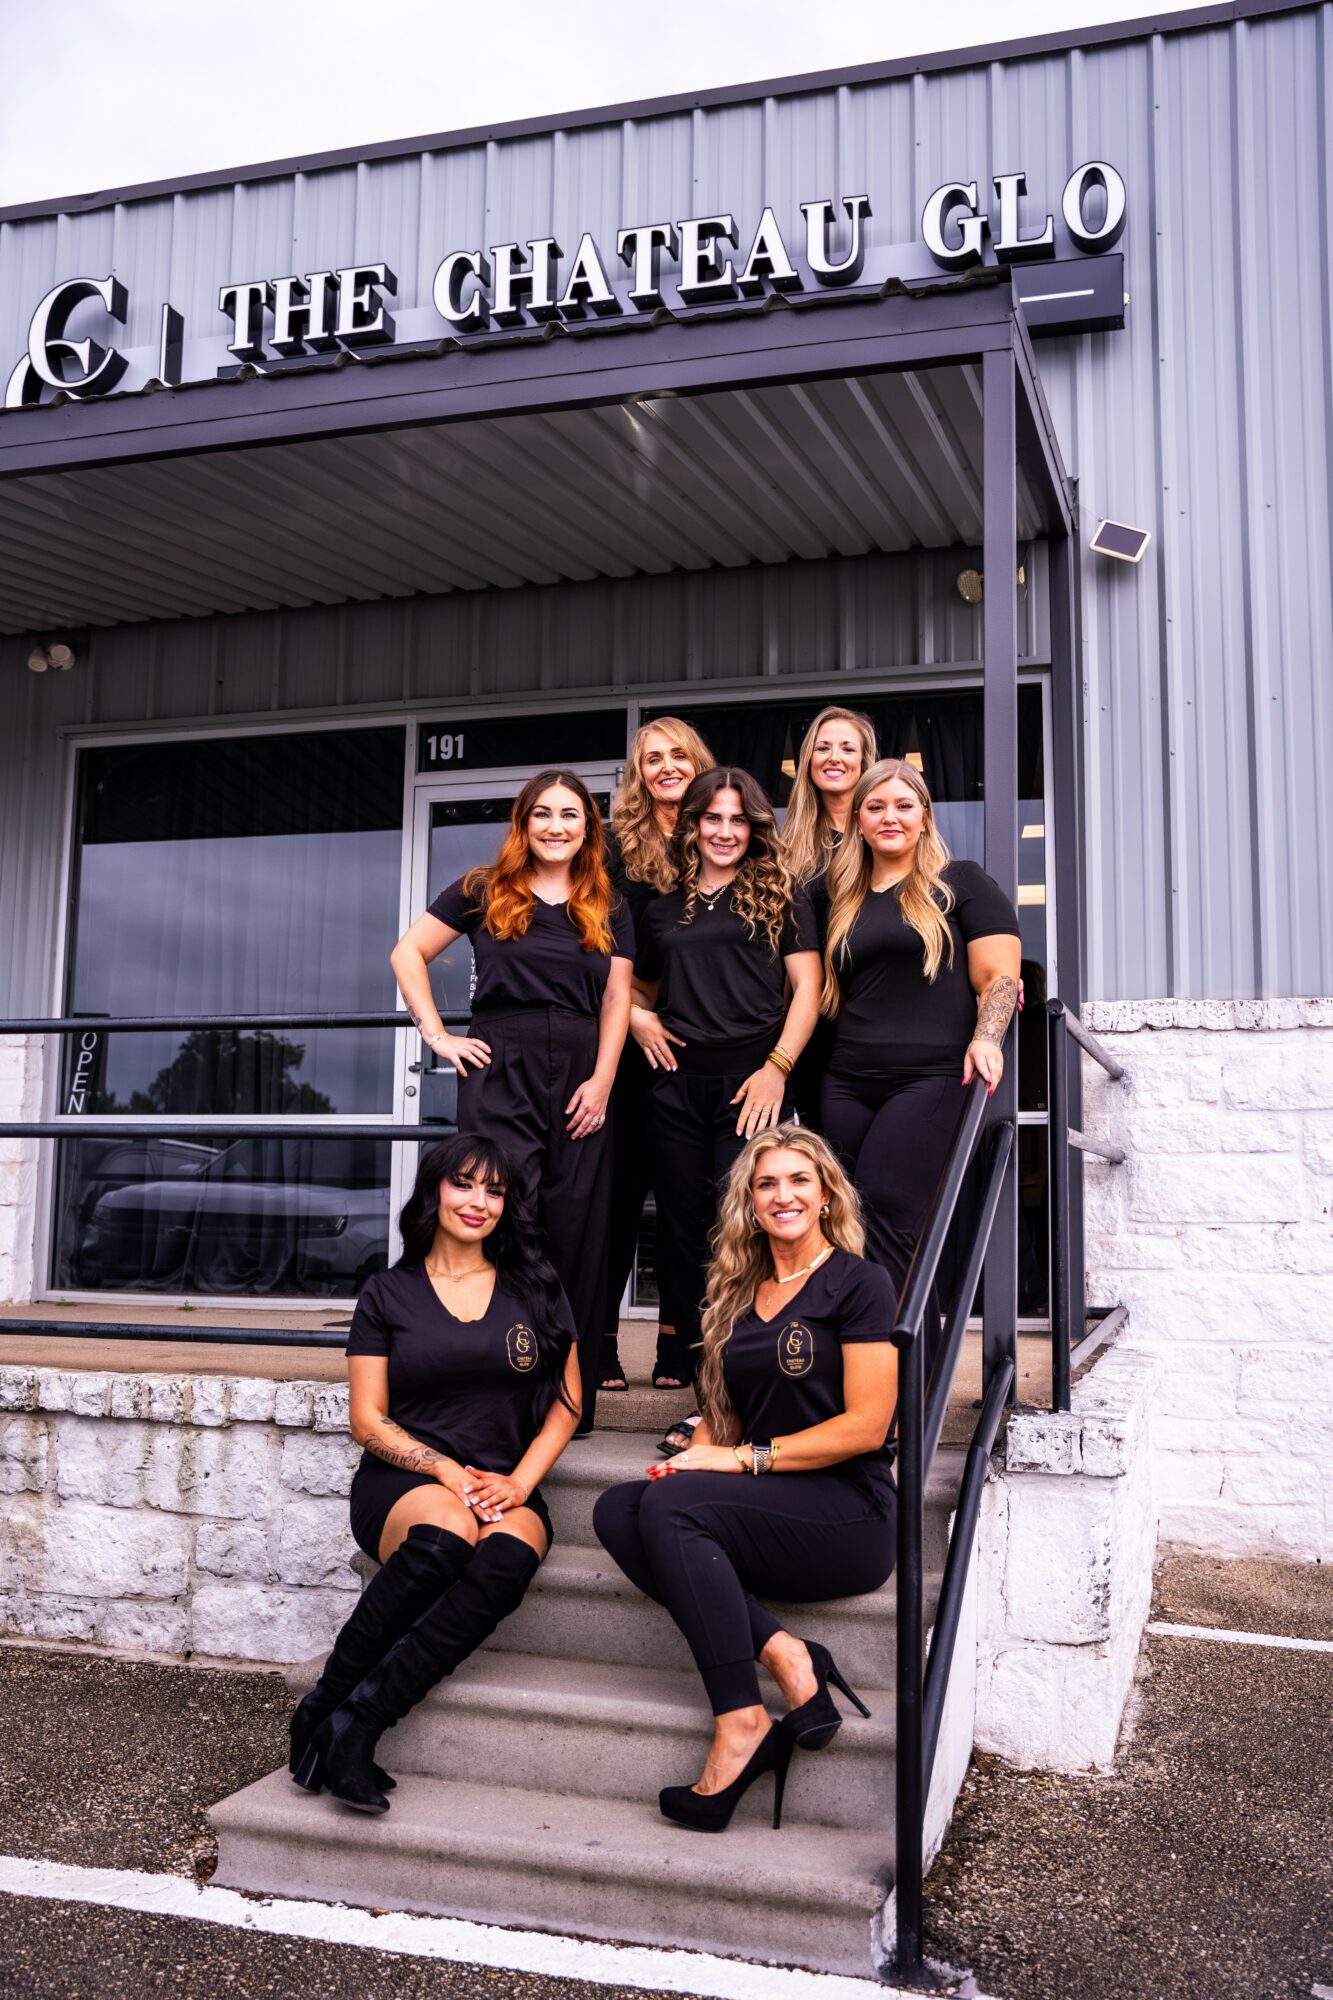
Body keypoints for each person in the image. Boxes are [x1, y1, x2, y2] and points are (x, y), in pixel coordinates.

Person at [593, 1125, 896, 1833]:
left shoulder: (858, 1282)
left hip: (847, 1510)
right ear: (749, 1203)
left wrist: (734, 1461)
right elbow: (729, 1413)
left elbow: (866, 1427)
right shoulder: (737, 1289)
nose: (782, 1195)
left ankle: (740, 1720)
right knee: (616, 1508)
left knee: (668, 1509)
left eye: (798, 1180)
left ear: (825, 1195)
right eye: (766, 1184)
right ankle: (787, 1653)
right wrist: (698, 1446)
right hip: (770, 1496)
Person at [290, 1134, 581, 1815]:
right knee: (446, 1537)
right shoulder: (388, 1292)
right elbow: (369, 1420)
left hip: (505, 1479)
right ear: (434, 1192)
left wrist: (516, 1483)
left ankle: (357, 1725)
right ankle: (322, 1706)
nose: (479, 1202)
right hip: (404, 1479)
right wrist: (447, 1471)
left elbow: (568, 1406)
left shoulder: (535, 1288)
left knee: (506, 1558)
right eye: (464, 1185)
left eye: (495, 1190)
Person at [390, 769, 633, 1435]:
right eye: (543, 814)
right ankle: (495, 1382)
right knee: (503, 1220)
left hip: (583, 1072)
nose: (557, 827)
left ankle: (566, 1398)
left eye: (571, 815)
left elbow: (616, 999)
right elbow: (407, 953)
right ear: (523, 823)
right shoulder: (481, 888)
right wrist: (437, 1035)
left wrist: (605, 1078)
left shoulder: (605, 900)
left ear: (589, 827)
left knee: (576, 1230)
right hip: (501, 1065)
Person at [632, 767, 821, 1400]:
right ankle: (694, 1364)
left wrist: (777, 1069)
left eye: (738, 819)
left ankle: (744, 1363)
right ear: (692, 823)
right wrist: (637, 1019)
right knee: (682, 1231)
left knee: (744, 1225)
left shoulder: (781, 893)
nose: (724, 831)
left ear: (755, 827)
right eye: (712, 818)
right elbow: (637, 989)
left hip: (754, 1086)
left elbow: (808, 990)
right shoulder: (662, 908)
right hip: (675, 1085)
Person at [819, 756, 1021, 1333]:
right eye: (876, 807)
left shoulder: (961, 883)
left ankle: (907, 1380)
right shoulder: (843, 896)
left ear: (925, 817)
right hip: (848, 1083)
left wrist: (987, 1039)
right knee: (850, 1222)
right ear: (857, 820)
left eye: (903, 806)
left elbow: (1000, 977)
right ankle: (871, 1371)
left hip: (931, 1078)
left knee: (888, 1213)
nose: (890, 817)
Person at [601, 717, 715, 1395]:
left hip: (698, 1048)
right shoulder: (614, 848)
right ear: (638, 773)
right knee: (614, 1200)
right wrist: (637, 1016)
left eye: (678, 755)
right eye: (652, 759)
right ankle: (601, 1343)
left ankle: (679, 1340)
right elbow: (589, 945)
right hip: (625, 1042)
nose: (666, 767)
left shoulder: (725, 837)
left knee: (687, 1206)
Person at [778, 706, 878, 1131]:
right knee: (828, 1152)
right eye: (823, 747)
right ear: (807, 761)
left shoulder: (887, 833)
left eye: (846, 748)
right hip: (814, 1023)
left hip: (878, 1013)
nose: (834, 757)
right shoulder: (786, 849)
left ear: (864, 761)